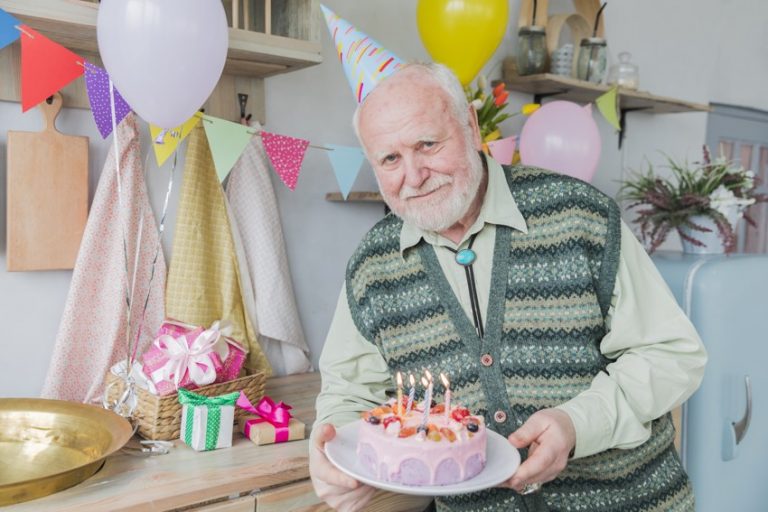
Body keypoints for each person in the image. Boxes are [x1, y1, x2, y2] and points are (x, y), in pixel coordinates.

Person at [309, 62, 707, 512]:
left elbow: (671, 354)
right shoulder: (372, 265)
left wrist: (577, 423)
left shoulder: (579, 216)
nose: (414, 175)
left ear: (471, 126)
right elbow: (348, 393)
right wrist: (330, 453)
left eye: (427, 143)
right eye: (390, 159)